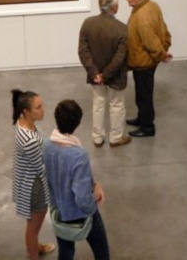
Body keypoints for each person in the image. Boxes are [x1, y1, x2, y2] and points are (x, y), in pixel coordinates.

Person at [43, 100, 110, 260]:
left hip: (59, 210)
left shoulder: (46, 145)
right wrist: (95, 197)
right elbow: (82, 198)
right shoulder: (78, 155)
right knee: (102, 252)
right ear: (78, 123)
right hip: (80, 213)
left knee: (65, 252)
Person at [78, 0, 131, 148]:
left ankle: (97, 138)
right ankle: (115, 138)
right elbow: (119, 58)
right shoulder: (121, 29)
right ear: (114, 7)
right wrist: (106, 75)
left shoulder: (87, 23)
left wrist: (95, 73)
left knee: (98, 104)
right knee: (116, 105)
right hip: (115, 77)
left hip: (95, 77)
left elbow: (83, 51)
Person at [124, 0, 172, 137]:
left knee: (144, 95)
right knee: (142, 93)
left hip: (143, 63)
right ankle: (142, 118)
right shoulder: (152, 5)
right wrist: (165, 46)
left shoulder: (142, 16)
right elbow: (163, 28)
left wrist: (161, 55)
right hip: (146, 61)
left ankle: (147, 127)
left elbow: (150, 41)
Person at [10, 89, 55, 259]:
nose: (43, 110)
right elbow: (40, 167)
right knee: (33, 226)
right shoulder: (28, 138)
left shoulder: (23, 122)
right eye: (38, 107)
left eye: (42, 105)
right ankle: (34, 254)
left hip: (28, 179)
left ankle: (35, 247)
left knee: (32, 224)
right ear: (25, 111)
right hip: (34, 186)